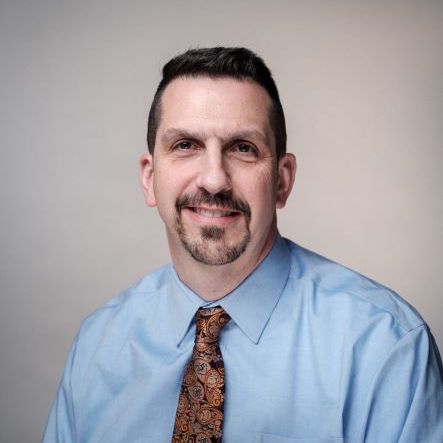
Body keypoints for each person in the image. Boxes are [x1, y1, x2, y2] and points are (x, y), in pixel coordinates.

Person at [42, 47, 443, 443]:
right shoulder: (99, 344)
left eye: (243, 148)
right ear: (150, 178)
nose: (214, 180)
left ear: (282, 180)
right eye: (186, 145)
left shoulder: (383, 346)